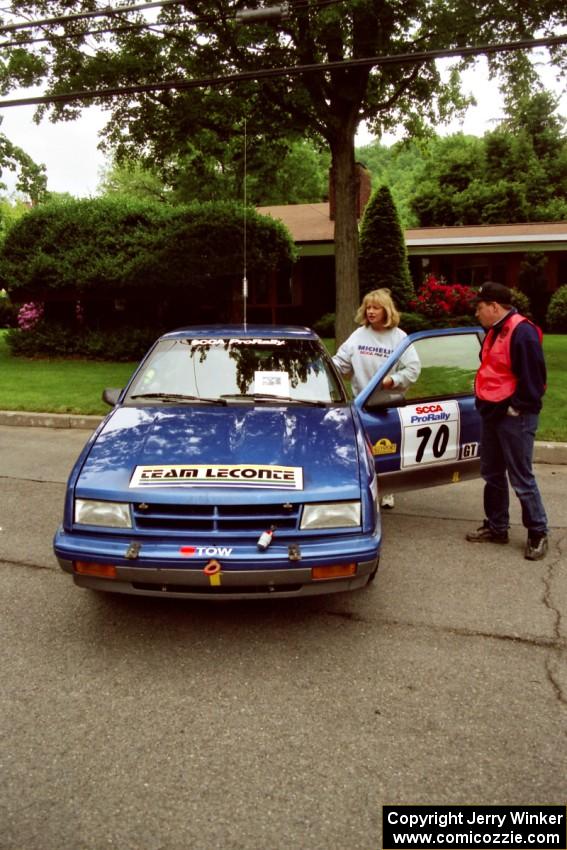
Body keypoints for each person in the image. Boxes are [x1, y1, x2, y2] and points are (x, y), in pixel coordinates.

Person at [466, 281, 549, 560]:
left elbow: (534, 380)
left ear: (494, 306)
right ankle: (497, 527)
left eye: (479, 308)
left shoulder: (521, 331)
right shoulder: (493, 330)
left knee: (521, 477)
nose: (476, 313)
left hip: (515, 417)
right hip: (492, 412)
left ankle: (538, 532)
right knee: (492, 473)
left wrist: (516, 409)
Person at [333, 288, 421, 509]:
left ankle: (387, 490)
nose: (370, 311)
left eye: (376, 307)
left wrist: (393, 380)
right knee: (363, 448)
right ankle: (362, 489)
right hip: (361, 403)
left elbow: (413, 369)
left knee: (387, 447)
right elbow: (341, 361)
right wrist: (325, 368)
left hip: (388, 404)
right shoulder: (358, 335)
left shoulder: (399, 337)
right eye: (368, 307)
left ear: (386, 310)